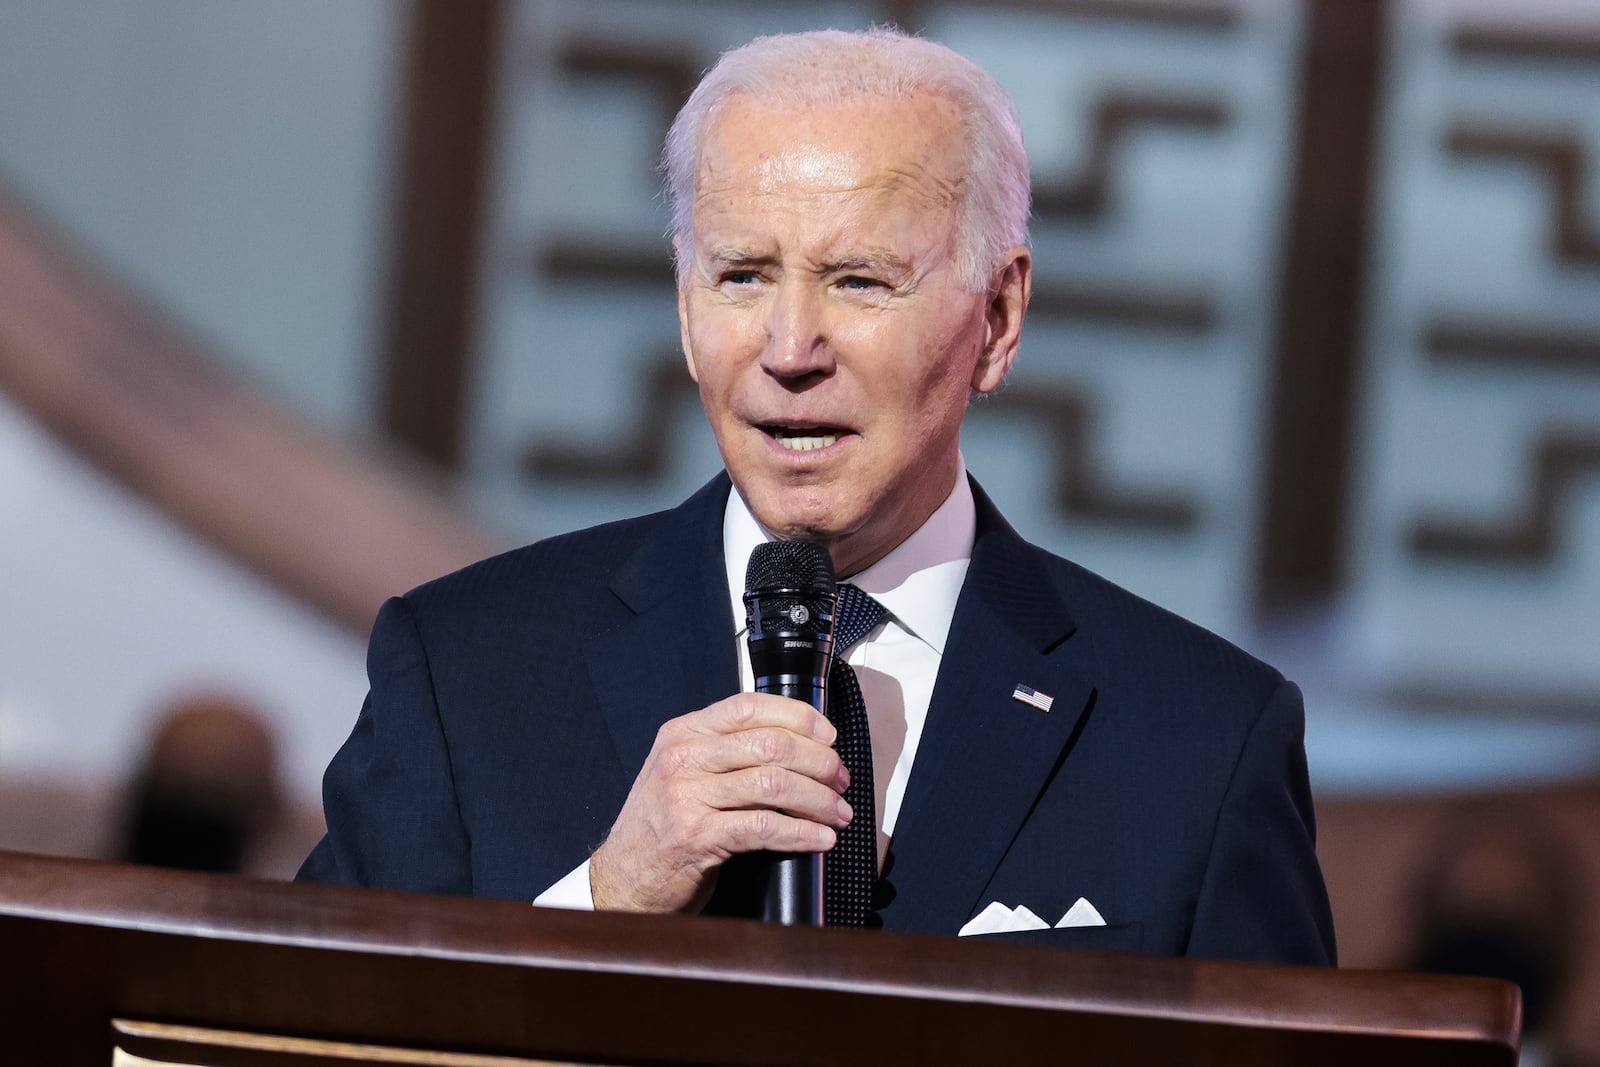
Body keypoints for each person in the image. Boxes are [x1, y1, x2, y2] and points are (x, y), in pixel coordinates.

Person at [299, 27, 1335, 965]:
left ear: (1000, 316)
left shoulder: (1197, 739)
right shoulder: (463, 670)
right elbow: (299, 1034)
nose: (790, 351)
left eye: (859, 281)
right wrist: (608, 900)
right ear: (682, 300)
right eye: (742, 275)